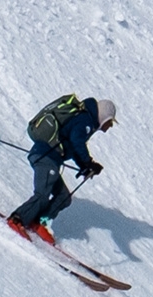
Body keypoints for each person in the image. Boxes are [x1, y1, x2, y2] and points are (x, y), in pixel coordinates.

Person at [8, 95, 115, 243]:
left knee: (63, 197)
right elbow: (77, 141)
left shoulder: (85, 121)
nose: (110, 126)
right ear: (103, 116)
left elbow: (74, 146)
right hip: (45, 156)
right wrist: (88, 162)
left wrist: (85, 166)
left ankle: (38, 222)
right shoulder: (86, 121)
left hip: (51, 159)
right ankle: (17, 219)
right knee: (42, 195)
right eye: (109, 122)